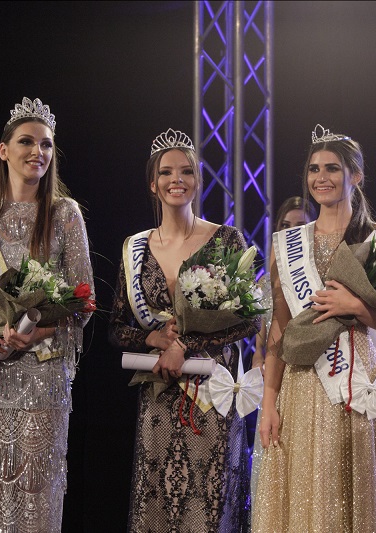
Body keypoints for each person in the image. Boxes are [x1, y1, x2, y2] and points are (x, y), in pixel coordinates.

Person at [0, 97, 94, 531]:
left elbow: (84, 301)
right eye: (27, 141)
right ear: (4, 150)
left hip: (40, 378)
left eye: (46, 144)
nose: (37, 152)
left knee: (34, 499)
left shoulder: (65, 214)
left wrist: (36, 331)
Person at [252, 125, 376, 532]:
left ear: (356, 175)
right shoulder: (287, 244)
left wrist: (356, 308)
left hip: (358, 379)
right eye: (314, 169)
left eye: (332, 168)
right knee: (308, 495)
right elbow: (279, 330)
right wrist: (269, 402)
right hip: (302, 384)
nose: (321, 177)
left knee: (355, 496)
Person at [108, 129, 258, 531]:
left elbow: (250, 320)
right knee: (159, 503)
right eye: (166, 172)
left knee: (211, 505)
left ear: (198, 180)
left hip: (212, 391)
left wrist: (184, 345)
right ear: (152, 183)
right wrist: (152, 338)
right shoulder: (136, 247)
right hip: (160, 393)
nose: (177, 179)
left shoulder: (226, 239)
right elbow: (116, 328)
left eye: (186, 171)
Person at [249, 195, 316, 506]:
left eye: (300, 225)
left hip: (308, 372)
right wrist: (258, 358)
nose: (291, 231)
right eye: (285, 225)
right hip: (275, 375)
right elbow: (265, 330)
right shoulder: (269, 276)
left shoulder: (317, 273)